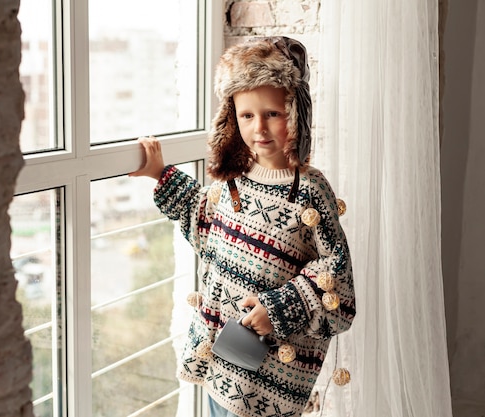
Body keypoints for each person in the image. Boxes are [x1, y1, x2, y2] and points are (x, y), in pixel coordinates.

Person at [130, 37, 356, 417]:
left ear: (297, 112)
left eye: (272, 113)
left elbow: (338, 282)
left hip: (274, 377)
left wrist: (278, 308)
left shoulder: (311, 191)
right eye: (247, 116)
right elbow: (204, 219)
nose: (259, 128)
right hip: (221, 360)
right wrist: (161, 175)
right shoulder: (233, 180)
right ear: (231, 118)